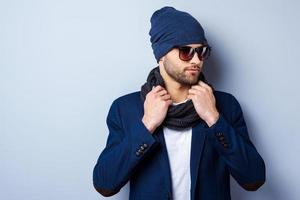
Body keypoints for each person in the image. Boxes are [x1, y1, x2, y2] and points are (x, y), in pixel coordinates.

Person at [92, 6, 266, 200]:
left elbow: (254, 179)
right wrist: (147, 124)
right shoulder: (126, 108)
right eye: (185, 51)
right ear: (162, 55)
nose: (196, 60)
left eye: (201, 52)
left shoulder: (225, 105)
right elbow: (104, 185)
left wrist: (213, 118)